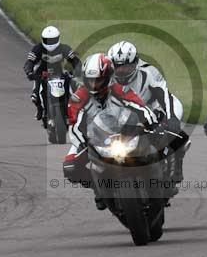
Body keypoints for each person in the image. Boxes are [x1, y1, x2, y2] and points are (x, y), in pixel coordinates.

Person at [63, 53, 160, 210]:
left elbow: (140, 106)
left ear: (108, 76)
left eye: (98, 80)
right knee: (70, 167)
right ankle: (98, 188)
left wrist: (152, 123)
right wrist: (83, 143)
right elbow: (74, 125)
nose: (94, 85)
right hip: (89, 138)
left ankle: (155, 184)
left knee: (153, 148)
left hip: (122, 134)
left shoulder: (119, 90)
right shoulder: (78, 97)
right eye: (90, 80)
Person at [107, 41, 189, 194]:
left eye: (126, 66)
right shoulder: (106, 75)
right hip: (124, 114)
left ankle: (173, 171)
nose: (122, 71)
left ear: (135, 62)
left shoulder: (149, 72)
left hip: (155, 108)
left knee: (171, 134)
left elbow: (165, 97)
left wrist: (171, 119)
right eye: (117, 66)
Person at [23, 26, 81, 123]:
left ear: (58, 39)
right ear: (42, 39)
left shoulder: (64, 48)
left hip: (59, 73)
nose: (50, 43)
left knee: (73, 88)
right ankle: (40, 109)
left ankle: (70, 109)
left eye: (53, 40)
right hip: (42, 73)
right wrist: (29, 72)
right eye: (47, 40)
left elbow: (75, 61)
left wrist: (78, 70)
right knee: (34, 96)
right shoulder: (38, 48)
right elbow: (29, 62)